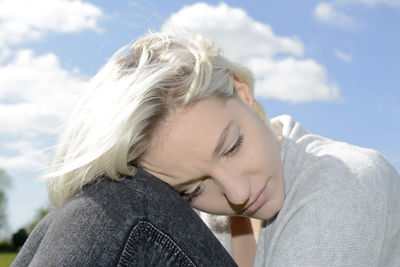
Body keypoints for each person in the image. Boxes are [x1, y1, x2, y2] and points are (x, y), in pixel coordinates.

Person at [13, 30, 400, 266]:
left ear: (243, 92)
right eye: (193, 189)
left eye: (232, 146)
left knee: (118, 207)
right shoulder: (201, 225)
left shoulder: (345, 184)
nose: (237, 193)